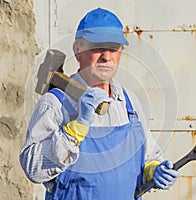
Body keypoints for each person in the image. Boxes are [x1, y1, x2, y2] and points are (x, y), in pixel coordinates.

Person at [20, 7, 178, 200]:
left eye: (114, 48)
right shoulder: (55, 103)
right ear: (77, 50)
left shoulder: (128, 103)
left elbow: (148, 158)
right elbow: (33, 169)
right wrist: (76, 128)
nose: (107, 57)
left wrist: (155, 171)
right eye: (96, 48)